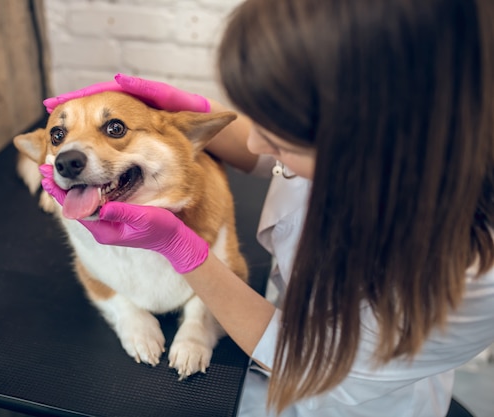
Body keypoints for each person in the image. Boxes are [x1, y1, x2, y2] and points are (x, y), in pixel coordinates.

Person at [39, 0, 494, 415]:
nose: (256, 142)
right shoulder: (388, 154)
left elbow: (304, 357)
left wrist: (183, 248)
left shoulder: (470, 280)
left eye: (279, 134)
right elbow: (262, 152)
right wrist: (188, 112)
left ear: (370, 137)